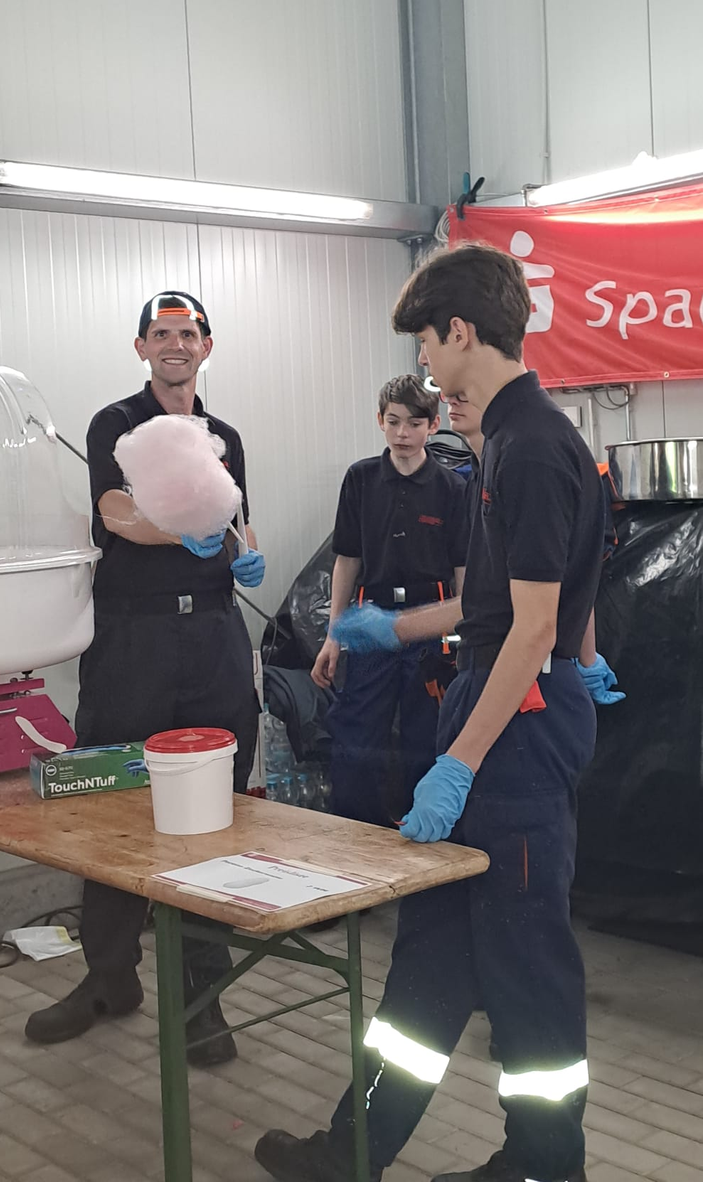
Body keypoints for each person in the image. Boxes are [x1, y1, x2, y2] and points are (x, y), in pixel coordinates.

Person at [255, 243, 604, 1182]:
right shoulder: (506, 443)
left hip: (515, 729)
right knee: (435, 948)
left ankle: (545, 1164)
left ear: (459, 331)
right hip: (497, 708)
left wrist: (459, 765)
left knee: (525, 961)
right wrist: (391, 628)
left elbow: (532, 630)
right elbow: (492, 607)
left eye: (425, 343)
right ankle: (353, 1151)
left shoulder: (532, 447)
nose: (424, 364)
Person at [25, 291, 263, 1067]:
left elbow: (238, 523)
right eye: (161, 334)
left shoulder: (224, 436)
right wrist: (182, 534)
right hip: (134, 640)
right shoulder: (116, 424)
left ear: (206, 346)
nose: (174, 345)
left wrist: (242, 552)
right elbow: (116, 513)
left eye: (187, 334)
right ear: (141, 348)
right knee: (114, 805)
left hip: (215, 636)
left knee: (211, 812)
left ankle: (202, 996)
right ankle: (108, 978)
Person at [311, 374, 468, 826]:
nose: (403, 433)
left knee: (428, 740)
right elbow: (347, 560)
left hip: (432, 629)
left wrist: (466, 637)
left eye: (414, 423)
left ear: (433, 426)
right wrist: (333, 636)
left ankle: (428, 839)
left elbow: (463, 572)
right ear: (379, 420)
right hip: (370, 626)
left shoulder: (452, 488)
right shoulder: (360, 480)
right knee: (356, 741)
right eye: (394, 421)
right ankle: (355, 843)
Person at [444, 392, 624, 708]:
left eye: (463, 394)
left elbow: (573, 581)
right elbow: (477, 598)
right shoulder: (474, 479)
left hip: (538, 673)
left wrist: (587, 658)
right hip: (488, 666)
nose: (451, 401)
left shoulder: (531, 466)